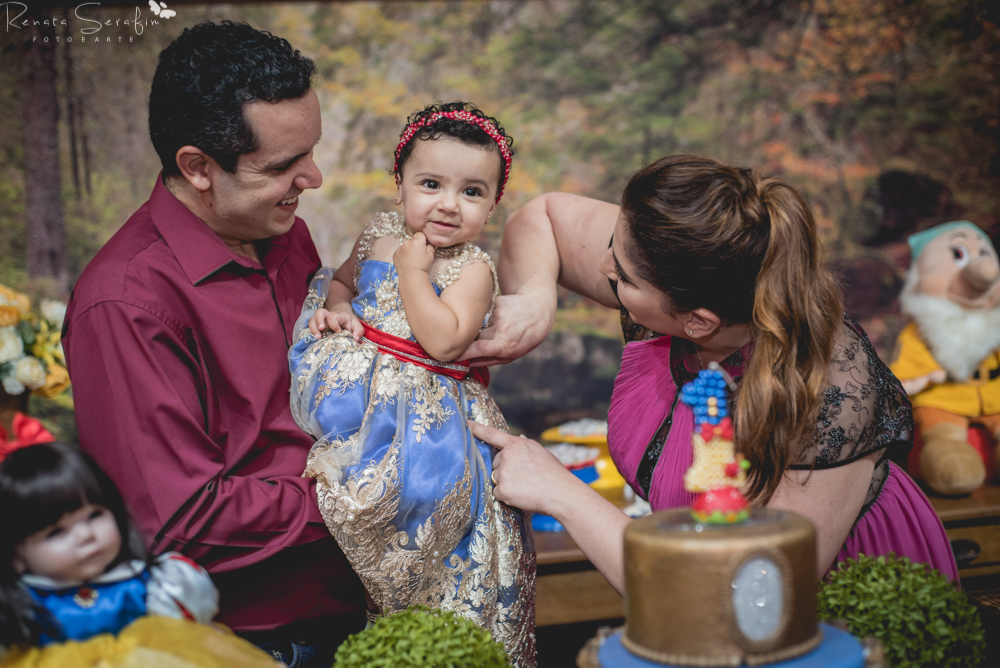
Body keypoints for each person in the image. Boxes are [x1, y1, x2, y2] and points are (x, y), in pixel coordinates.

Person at [467, 155, 959, 596]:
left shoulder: (826, 392)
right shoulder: (665, 261)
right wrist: (535, 302)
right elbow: (545, 219)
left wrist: (561, 493)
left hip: (834, 605)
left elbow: (735, 597)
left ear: (697, 322)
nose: (602, 267)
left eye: (623, 278)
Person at [61, 21, 365, 666]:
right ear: (197, 166)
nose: (312, 178)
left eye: (309, 151)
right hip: (250, 641)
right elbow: (182, 517)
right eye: (283, 165)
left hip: (354, 604)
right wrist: (365, 492)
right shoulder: (125, 303)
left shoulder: (285, 235)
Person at [288, 102, 535, 667]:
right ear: (399, 185)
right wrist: (340, 311)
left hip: (433, 418)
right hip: (364, 392)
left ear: (493, 204)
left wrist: (412, 271)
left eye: (472, 192)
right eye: (431, 183)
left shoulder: (472, 268)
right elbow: (342, 283)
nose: (449, 204)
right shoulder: (379, 230)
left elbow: (444, 342)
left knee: (428, 524)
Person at [0, 442, 275, 666]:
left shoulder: (158, 586)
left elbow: (205, 640)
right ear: (16, 555)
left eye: (94, 515)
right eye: (56, 532)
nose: (86, 536)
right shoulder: (22, 607)